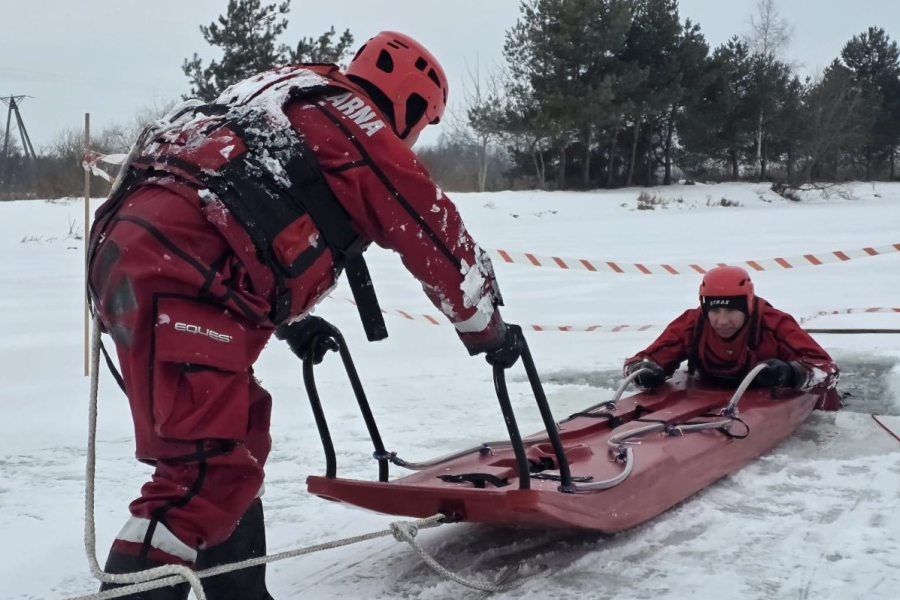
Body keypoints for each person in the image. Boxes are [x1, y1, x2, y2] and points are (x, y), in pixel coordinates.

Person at [87, 31, 523, 600]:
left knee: (236, 439)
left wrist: (292, 322)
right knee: (201, 475)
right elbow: (434, 234)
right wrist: (489, 330)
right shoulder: (354, 122)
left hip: (137, 258)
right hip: (179, 276)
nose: (413, 140)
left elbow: (242, 197)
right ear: (411, 105)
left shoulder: (281, 93)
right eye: (420, 125)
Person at [622, 265, 839, 394]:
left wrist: (791, 373)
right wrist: (642, 372)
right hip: (710, 397)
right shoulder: (693, 324)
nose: (722, 321)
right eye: (715, 311)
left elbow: (828, 370)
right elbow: (638, 362)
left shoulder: (774, 324)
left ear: (748, 305)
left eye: (731, 311)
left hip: (766, 399)